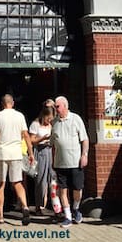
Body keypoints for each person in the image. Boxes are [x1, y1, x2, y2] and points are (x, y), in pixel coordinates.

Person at [0, 94, 34, 226]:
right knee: (17, 182)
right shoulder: (20, 116)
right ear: (12, 103)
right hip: (16, 153)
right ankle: (25, 206)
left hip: (2, 153)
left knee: (1, 184)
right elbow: (26, 135)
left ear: (2, 104)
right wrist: (30, 153)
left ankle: (0, 215)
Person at [50, 95, 89, 228]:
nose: (56, 109)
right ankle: (67, 216)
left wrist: (84, 155)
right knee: (63, 189)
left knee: (77, 188)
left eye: (58, 106)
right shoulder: (54, 122)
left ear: (65, 106)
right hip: (60, 162)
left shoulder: (76, 119)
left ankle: (76, 209)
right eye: (55, 106)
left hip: (75, 161)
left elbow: (84, 139)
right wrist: (53, 161)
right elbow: (53, 144)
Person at [29, 105, 55, 214]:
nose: (49, 120)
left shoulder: (52, 125)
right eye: (48, 118)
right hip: (40, 152)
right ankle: (38, 206)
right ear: (43, 115)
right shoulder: (35, 124)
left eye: (51, 118)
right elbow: (31, 140)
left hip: (51, 151)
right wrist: (43, 138)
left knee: (52, 179)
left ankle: (54, 205)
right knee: (40, 180)